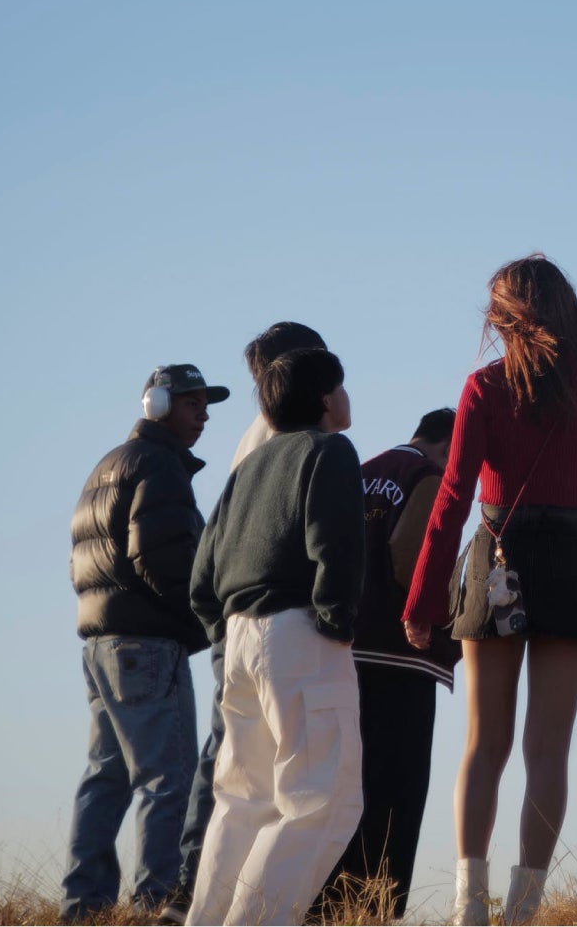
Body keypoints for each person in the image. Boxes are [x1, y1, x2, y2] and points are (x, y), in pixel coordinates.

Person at [401, 254, 577, 925]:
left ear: (506, 314)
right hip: (570, 557)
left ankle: (467, 906)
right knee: (548, 748)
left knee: (483, 742)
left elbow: (452, 500)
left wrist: (422, 601)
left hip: (495, 556)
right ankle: (522, 909)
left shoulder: (484, 386)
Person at [185, 349, 365, 926]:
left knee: (241, 804)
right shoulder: (329, 451)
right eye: (340, 385)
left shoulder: (246, 469)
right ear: (324, 397)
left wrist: (227, 637)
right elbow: (334, 548)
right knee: (319, 804)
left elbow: (201, 579)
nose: (346, 396)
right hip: (299, 634)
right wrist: (336, 624)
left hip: (238, 638)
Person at [166, 321, 328, 925]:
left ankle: (212, 900)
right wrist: (336, 616)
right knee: (278, 782)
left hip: (240, 624)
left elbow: (210, 551)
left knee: (241, 774)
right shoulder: (297, 443)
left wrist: (219, 626)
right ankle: (226, 898)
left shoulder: (256, 440)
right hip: (273, 623)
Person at [62, 364, 228, 923]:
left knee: (104, 777)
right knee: (168, 778)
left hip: (103, 645)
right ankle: (155, 904)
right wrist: (205, 614)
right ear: (156, 404)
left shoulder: (108, 463)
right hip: (147, 647)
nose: (202, 415)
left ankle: (84, 907)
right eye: (191, 403)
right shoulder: (160, 465)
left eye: (206, 405)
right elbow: (160, 557)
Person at [309, 408, 462, 922]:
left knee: (347, 786)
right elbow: (412, 554)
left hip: (342, 650)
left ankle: (324, 903)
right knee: (396, 791)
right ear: (451, 444)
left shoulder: (362, 470)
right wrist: (448, 621)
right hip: (401, 656)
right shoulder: (428, 475)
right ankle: (371, 908)